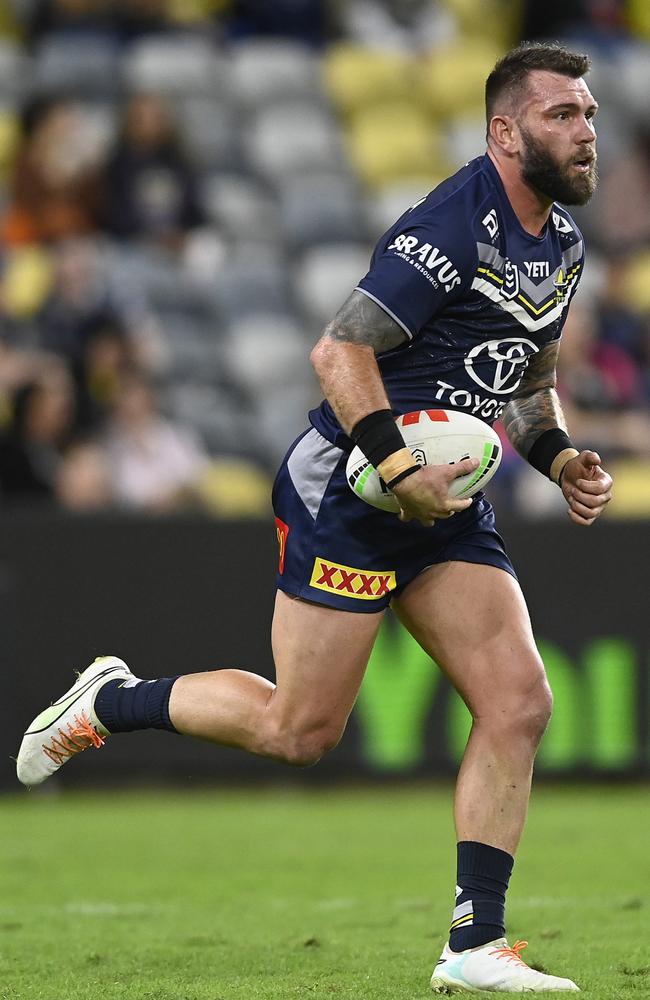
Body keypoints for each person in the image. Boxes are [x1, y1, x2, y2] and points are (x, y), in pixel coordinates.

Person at [16, 42, 612, 993]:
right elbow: (337, 354)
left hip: (443, 501)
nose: (588, 133)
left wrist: (557, 454)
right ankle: (107, 702)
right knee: (300, 732)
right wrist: (394, 463)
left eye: (589, 114)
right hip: (355, 487)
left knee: (520, 703)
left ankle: (474, 945)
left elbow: (527, 382)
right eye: (562, 116)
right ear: (505, 131)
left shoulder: (563, 245)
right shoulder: (452, 228)